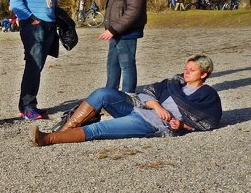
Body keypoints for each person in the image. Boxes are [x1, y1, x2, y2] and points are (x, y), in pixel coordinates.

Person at [33, 55, 222, 146]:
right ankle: (67, 131)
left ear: (204, 74)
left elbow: (207, 121)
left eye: (192, 70)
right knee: (103, 93)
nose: (186, 72)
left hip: (152, 123)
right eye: (186, 68)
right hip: (142, 109)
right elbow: (147, 92)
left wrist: (181, 124)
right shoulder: (174, 82)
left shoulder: (207, 94)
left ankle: (49, 139)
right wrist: (156, 105)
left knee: (98, 130)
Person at [9, 0, 62, 120]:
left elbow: (52, 2)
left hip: (49, 25)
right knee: (33, 66)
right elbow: (16, 1)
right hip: (33, 26)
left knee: (37, 67)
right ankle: (27, 107)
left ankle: (29, 105)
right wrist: (31, 19)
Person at [98, 0, 147, 92]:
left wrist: (114, 29)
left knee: (127, 65)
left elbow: (134, 10)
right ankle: (110, 93)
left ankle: (128, 96)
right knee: (112, 64)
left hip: (127, 31)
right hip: (116, 30)